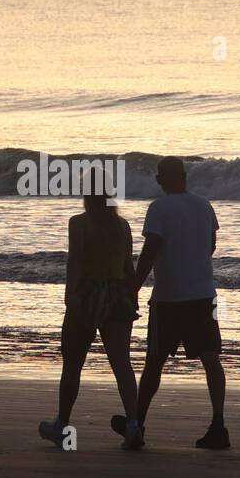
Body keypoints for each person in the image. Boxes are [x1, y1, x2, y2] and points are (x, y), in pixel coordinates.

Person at [113, 156, 229, 449]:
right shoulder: (204, 205)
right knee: (210, 357)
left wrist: (134, 288)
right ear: (185, 176)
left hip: (169, 298)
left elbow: (151, 250)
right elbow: (211, 245)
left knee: (154, 361)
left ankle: (137, 423)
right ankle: (218, 424)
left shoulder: (159, 208)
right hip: (203, 294)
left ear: (160, 180)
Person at [39, 186, 144, 450]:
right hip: (117, 294)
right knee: (122, 363)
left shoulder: (79, 223)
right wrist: (133, 297)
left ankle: (62, 426)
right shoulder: (122, 226)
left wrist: (69, 294)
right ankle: (133, 424)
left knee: (73, 364)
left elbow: (75, 260)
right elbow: (128, 267)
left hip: (87, 293)